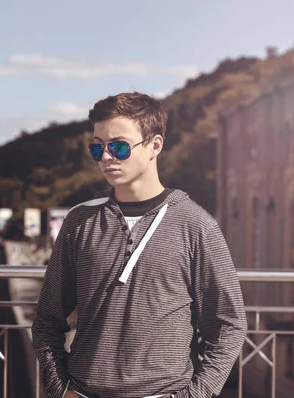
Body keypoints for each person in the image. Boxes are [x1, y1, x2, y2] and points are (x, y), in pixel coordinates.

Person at [32, 92, 247, 398]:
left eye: (118, 146)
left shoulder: (197, 226)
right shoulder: (79, 222)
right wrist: (60, 389)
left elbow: (229, 325)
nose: (107, 157)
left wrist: (195, 396)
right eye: (98, 148)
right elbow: (47, 320)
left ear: (154, 145)